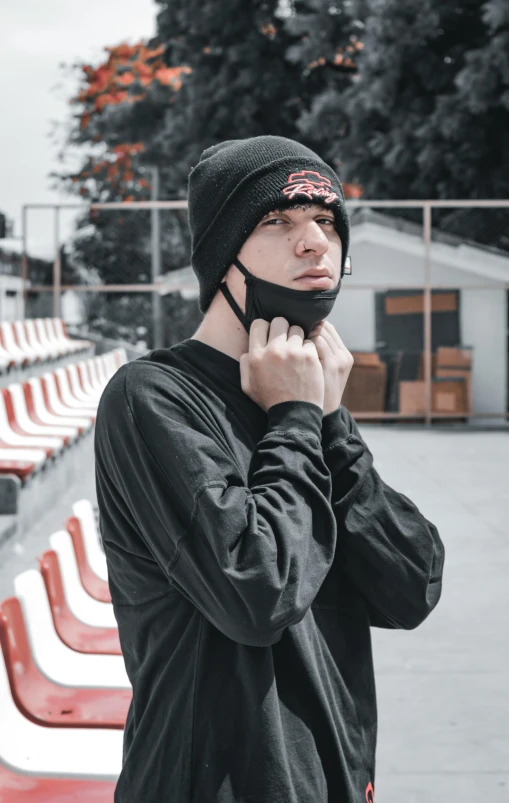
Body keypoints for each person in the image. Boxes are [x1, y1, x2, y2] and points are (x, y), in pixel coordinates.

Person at [94, 135, 445, 803]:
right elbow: (257, 593)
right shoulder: (152, 398)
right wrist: (293, 419)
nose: (314, 241)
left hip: (333, 776)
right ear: (223, 255)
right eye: (276, 220)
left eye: (326, 220)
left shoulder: (308, 407)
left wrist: (331, 427)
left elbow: (410, 584)